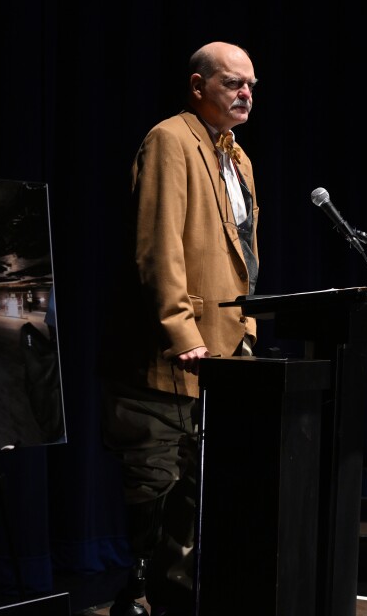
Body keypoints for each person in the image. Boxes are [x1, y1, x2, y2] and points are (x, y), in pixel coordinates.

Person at [100, 41, 260, 616]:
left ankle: (184, 599)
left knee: (205, 495)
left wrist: (247, 329)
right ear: (198, 87)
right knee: (157, 489)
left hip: (226, 353)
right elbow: (157, 246)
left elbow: (242, 253)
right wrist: (182, 330)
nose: (246, 94)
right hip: (174, 357)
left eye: (251, 85)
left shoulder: (237, 157)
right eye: (232, 84)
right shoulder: (170, 139)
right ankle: (141, 599)